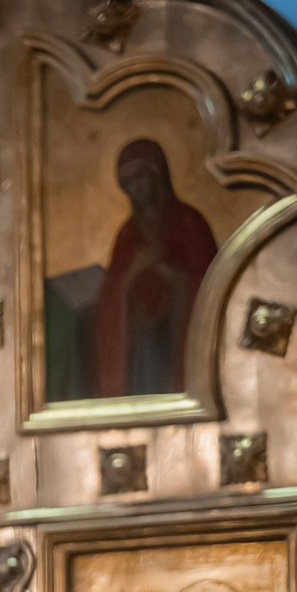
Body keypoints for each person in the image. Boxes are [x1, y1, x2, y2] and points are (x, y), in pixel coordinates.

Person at [93, 139, 217, 399]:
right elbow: (110, 295)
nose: (135, 187)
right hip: (141, 342)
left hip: (182, 338)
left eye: (140, 176)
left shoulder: (189, 222)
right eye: (127, 182)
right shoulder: (128, 234)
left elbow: (213, 286)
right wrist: (134, 273)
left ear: (157, 173)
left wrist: (173, 275)